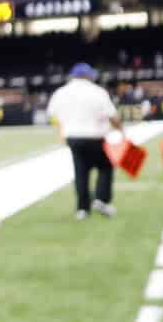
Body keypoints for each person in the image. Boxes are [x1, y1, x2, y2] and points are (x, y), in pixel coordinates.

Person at [49, 61, 120, 219]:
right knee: (105, 166)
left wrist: (63, 128)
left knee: (80, 171)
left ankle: (82, 209)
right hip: (95, 137)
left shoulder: (61, 92)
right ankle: (101, 198)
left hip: (73, 137)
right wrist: (121, 130)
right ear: (87, 75)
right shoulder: (97, 91)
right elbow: (111, 115)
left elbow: (52, 113)